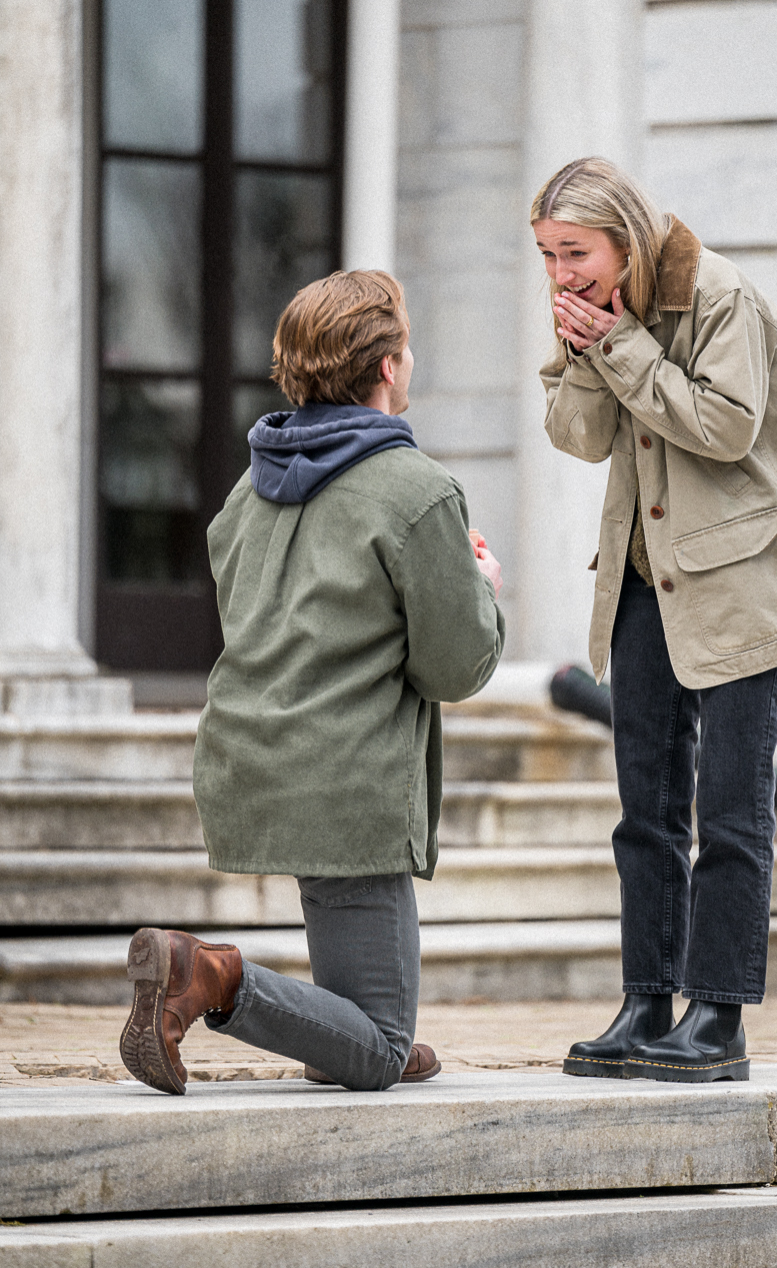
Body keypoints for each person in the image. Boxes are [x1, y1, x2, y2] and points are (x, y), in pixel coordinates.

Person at [120, 270, 504, 1095]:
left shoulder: (246, 494)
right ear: (389, 368)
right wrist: (480, 589)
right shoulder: (418, 491)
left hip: (250, 761)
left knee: (365, 1031)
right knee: (377, 1050)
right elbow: (454, 665)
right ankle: (207, 975)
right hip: (349, 783)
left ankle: (351, 1029)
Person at [534, 158, 777, 1083]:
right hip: (644, 580)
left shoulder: (720, 296)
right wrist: (587, 351)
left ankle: (719, 1018)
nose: (560, 274)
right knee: (645, 812)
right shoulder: (600, 309)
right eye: (546, 255)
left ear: (623, 236)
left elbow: (728, 427)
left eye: (573, 252)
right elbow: (575, 436)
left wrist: (617, 350)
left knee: (731, 811)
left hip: (744, 581)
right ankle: (646, 1003)